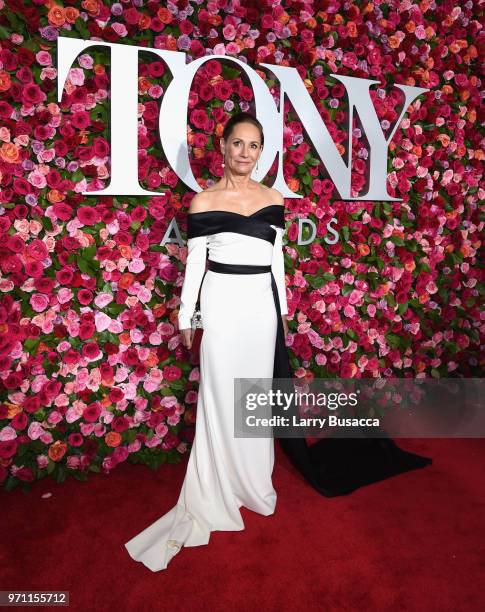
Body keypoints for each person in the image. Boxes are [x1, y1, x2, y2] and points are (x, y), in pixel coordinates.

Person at [124, 111, 431, 572]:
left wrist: (282, 314)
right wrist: (189, 315)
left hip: (261, 309)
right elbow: (194, 268)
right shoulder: (202, 202)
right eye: (237, 144)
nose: (244, 153)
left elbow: (277, 265)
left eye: (253, 146)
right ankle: (218, 485)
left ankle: (252, 482)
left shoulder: (273, 198)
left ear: (259, 153)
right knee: (218, 395)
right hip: (222, 306)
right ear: (222, 146)